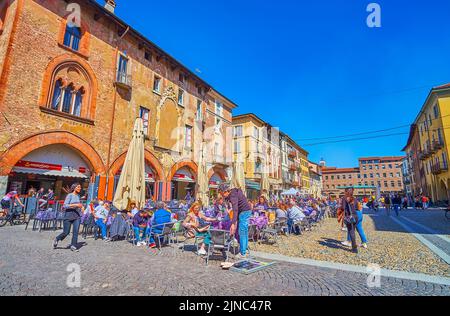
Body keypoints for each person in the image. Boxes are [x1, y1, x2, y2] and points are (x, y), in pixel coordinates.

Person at [218, 183, 252, 260]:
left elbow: (235, 209)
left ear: (226, 191)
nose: (222, 195)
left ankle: (243, 253)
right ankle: (245, 250)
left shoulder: (233, 195)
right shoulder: (233, 193)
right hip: (245, 211)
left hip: (244, 212)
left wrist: (233, 223)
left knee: (242, 231)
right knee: (244, 232)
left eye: (222, 193)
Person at [53, 183, 84, 252]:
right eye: (78, 187)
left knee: (76, 232)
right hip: (68, 215)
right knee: (66, 232)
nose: (80, 188)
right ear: (74, 188)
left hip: (77, 216)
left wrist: (81, 207)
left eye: (80, 187)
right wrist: (76, 204)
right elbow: (65, 206)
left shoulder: (78, 196)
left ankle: (73, 246)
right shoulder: (70, 195)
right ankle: (57, 239)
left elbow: (78, 205)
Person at [339, 187, 359, 254]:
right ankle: (354, 246)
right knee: (353, 231)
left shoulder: (344, 198)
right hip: (355, 216)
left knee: (351, 232)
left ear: (346, 191)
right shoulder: (355, 198)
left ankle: (354, 248)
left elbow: (343, 208)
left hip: (349, 217)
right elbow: (357, 207)